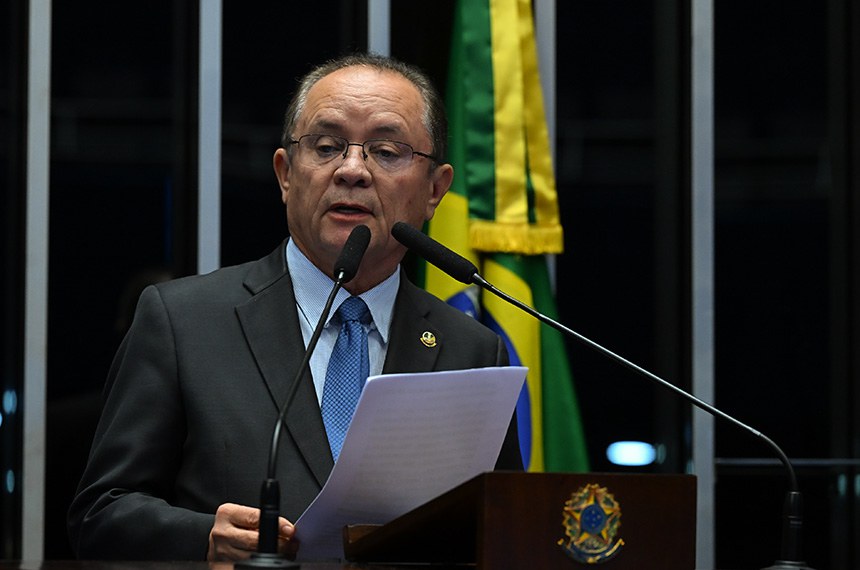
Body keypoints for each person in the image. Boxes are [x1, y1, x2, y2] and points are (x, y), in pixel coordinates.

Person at [67, 53, 522, 562]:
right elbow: (99, 515)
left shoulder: (472, 350)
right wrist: (200, 540)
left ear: (435, 189)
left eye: (387, 151)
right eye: (326, 147)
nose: (352, 170)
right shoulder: (183, 323)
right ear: (286, 174)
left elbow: (504, 530)